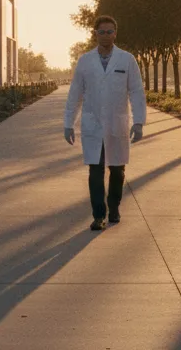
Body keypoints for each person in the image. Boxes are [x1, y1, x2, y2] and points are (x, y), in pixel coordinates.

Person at [63, 15, 146, 231]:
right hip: (93, 124)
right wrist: (68, 123)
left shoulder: (127, 60)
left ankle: (114, 207)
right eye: (102, 32)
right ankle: (99, 215)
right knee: (96, 170)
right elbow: (75, 94)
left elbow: (136, 91)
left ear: (115, 34)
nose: (106, 35)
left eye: (110, 31)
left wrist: (139, 122)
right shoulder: (85, 61)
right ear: (95, 34)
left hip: (117, 124)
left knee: (117, 171)